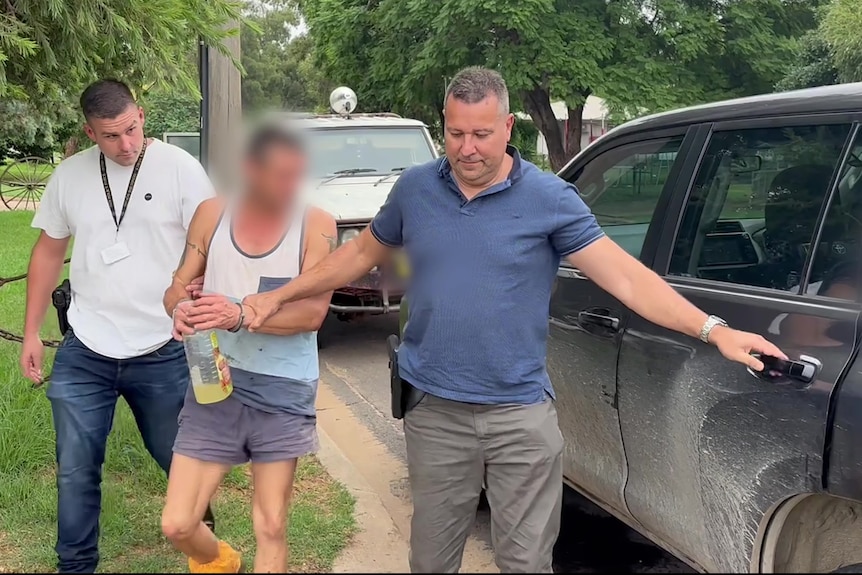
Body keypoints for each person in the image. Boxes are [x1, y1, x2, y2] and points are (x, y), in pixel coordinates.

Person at [241, 66, 787, 573]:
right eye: (455, 133)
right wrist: (279, 296)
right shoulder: (416, 189)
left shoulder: (550, 198)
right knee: (430, 561)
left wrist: (715, 330)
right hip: (435, 410)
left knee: (525, 564)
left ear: (506, 126)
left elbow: (625, 277)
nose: (467, 148)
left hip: (519, 416)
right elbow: (358, 255)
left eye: (481, 134)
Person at [20, 78, 217, 573]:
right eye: (111, 136)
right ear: (90, 133)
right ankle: (76, 566)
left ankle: (204, 545)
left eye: (131, 130)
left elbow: (211, 240)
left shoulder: (180, 169)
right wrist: (29, 333)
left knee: (178, 458)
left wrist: (201, 296)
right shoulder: (69, 176)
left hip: (163, 345)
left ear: (142, 115)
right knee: (75, 469)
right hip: (87, 345)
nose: (125, 145)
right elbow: (48, 251)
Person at [160, 122, 335, 574]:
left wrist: (236, 314)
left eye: (296, 175)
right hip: (214, 379)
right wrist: (180, 309)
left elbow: (311, 315)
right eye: (278, 175)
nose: (288, 187)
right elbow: (176, 289)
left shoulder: (316, 224)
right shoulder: (212, 214)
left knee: (271, 524)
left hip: (282, 389)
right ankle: (221, 562)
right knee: (178, 523)